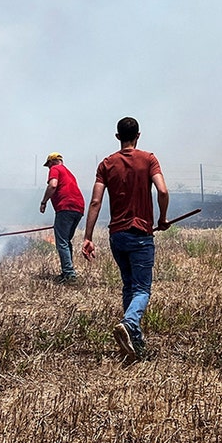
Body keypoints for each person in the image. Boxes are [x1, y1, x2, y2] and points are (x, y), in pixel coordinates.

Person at [80, 117, 170, 360]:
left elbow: (96, 201)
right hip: (141, 233)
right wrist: (162, 218)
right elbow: (162, 190)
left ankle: (134, 342)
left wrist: (87, 237)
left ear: (118, 137)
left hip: (117, 235)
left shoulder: (106, 164)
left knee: (129, 286)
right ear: (138, 135)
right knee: (142, 289)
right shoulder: (149, 159)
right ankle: (129, 324)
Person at [39, 152, 85, 283]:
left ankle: (69, 275)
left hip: (65, 207)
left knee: (62, 242)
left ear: (52, 162)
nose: (48, 168)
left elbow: (53, 185)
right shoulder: (69, 173)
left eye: (48, 165)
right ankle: (68, 271)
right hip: (78, 208)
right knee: (66, 240)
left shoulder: (55, 169)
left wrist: (44, 202)